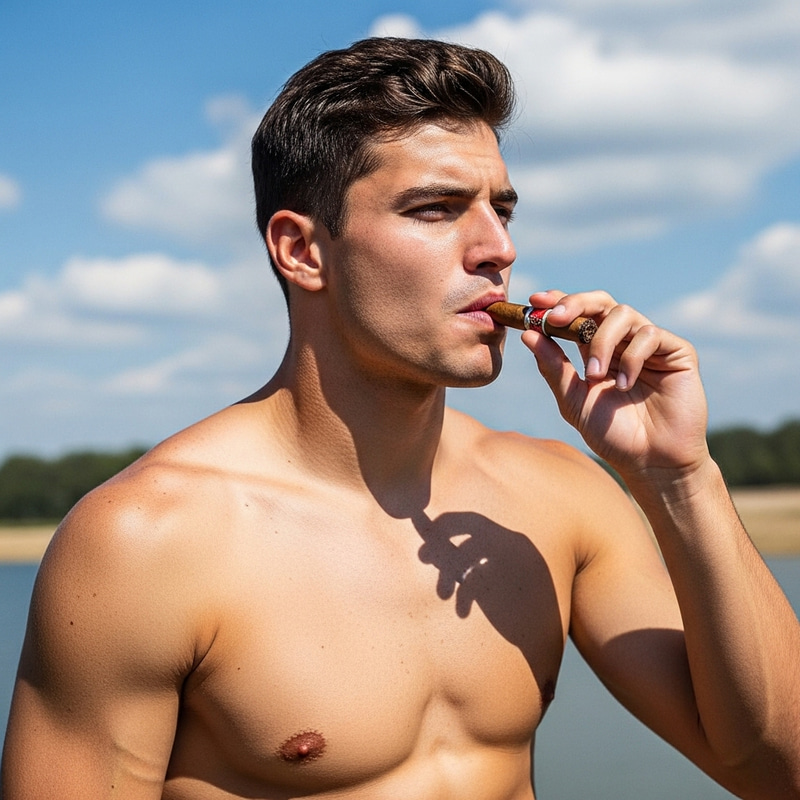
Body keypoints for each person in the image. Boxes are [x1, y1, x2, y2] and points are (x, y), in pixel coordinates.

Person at [2, 36, 799, 800]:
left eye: (502, 209)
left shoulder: (560, 501)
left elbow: (777, 774)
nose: (496, 248)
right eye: (435, 209)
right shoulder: (148, 540)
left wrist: (677, 476)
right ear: (302, 251)